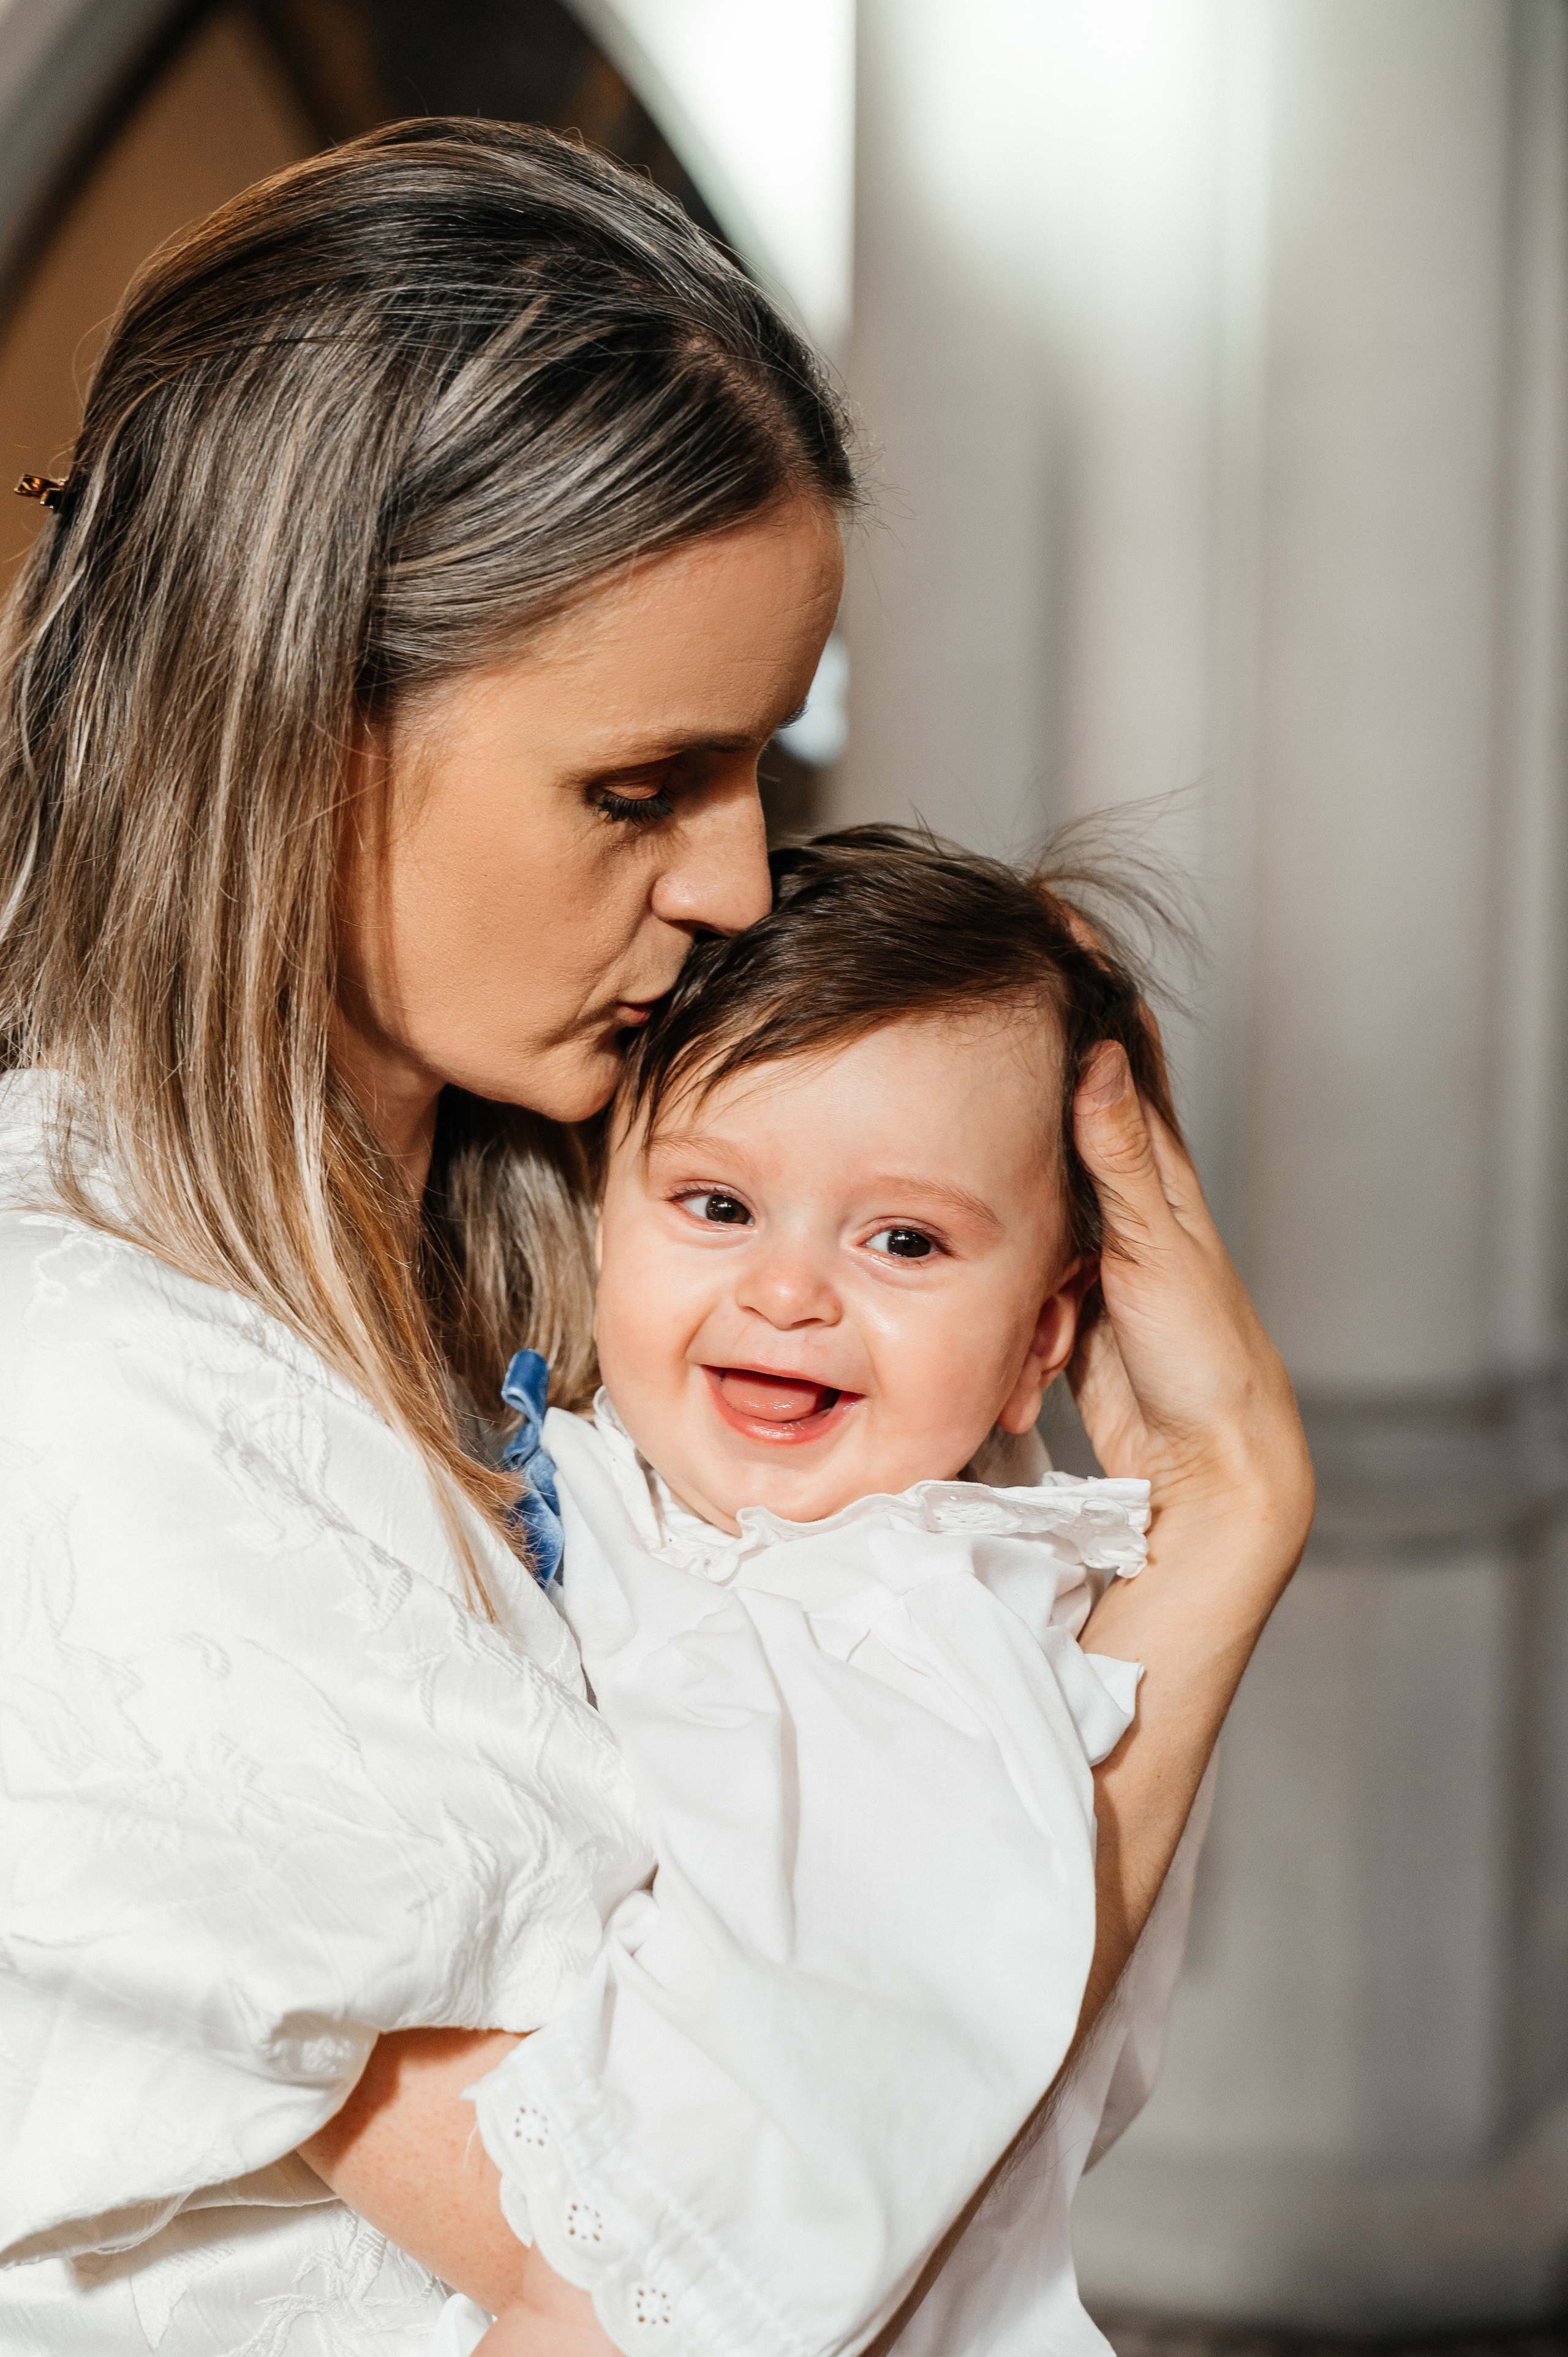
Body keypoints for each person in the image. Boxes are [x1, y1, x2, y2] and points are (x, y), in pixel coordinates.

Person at [0, 119, 1312, 2357]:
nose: (732, 882)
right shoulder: (99, 1396)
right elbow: (687, 2276)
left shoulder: (551, 1271)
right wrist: (1215, 1540)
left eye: (760, 769)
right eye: (639, 786)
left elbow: (933, 2132)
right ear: (295, 727)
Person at [466, 826, 1209, 2357]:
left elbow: (800, 2146)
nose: (789, 1291)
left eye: (903, 1239)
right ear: (600, 1208)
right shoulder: (614, 1481)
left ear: (1039, 1341)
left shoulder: (934, 1649)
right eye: (716, 1206)